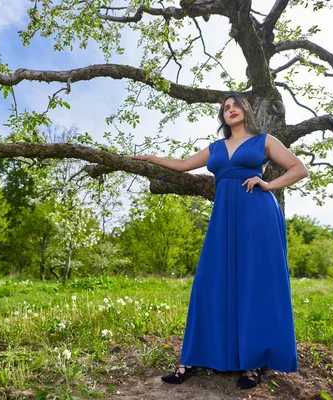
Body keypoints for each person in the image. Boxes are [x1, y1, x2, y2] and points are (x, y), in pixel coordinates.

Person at [130, 93, 308, 390]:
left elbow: (299, 169)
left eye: (236, 105)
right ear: (222, 117)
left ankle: (253, 363)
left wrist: (268, 183)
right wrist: (150, 158)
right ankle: (191, 359)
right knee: (208, 282)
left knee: (253, 283)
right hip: (224, 219)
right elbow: (184, 164)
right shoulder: (215, 148)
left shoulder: (264, 140)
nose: (231, 110)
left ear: (246, 110)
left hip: (256, 216)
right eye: (226, 108)